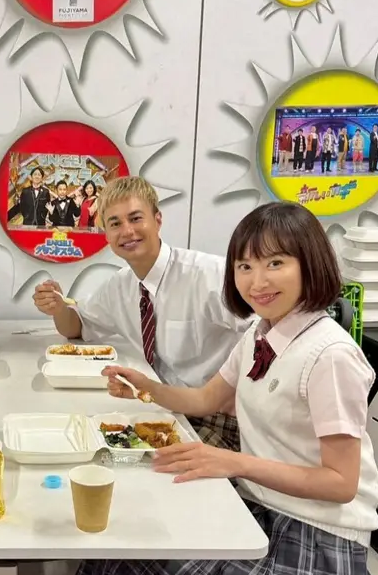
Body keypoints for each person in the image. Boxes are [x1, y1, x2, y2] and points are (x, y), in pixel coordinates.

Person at [77, 201, 378, 575]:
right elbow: (206, 400)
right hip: (266, 502)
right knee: (134, 553)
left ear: (309, 264)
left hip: (317, 532)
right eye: (245, 266)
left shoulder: (331, 354)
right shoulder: (262, 335)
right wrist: (143, 388)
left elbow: (340, 482)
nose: (257, 281)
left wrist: (234, 463)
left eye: (275, 263)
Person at [33, 175, 250, 448]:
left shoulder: (209, 275)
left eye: (135, 218)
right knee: (80, 436)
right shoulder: (121, 286)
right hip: (167, 407)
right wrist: (58, 308)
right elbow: (76, 326)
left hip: (221, 419)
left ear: (157, 220)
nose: (127, 231)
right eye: (115, 223)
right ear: (106, 234)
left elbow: (266, 334)